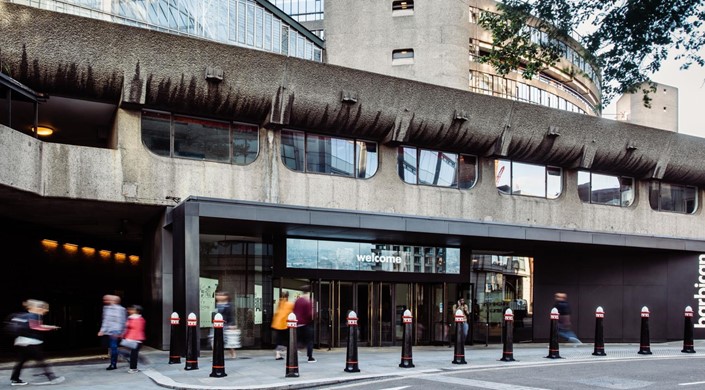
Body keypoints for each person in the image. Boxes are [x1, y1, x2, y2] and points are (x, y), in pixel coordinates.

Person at [10, 299, 65, 386]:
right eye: (45, 308)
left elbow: (34, 326)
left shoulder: (25, 316)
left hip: (21, 341)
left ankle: (15, 379)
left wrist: (50, 326)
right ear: (38, 308)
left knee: (21, 361)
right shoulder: (34, 315)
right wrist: (49, 328)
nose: (46, 310)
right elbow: (35, 327)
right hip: (30, 342)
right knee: (41, 360)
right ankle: (52, 378)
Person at [98, 294, 126, 370]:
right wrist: (102, 330)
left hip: (115, 331)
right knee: (109, 346)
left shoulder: (121, 309)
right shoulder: (106, 308)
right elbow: (105, 320)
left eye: (107, 299)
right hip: (108, 331)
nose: (105, 301)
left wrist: (121, 332)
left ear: (114, 300)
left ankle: (113, 364)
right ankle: (124, 354)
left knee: (113, 347)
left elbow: (122, 321)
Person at [119, 305, 146, 373]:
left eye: (132, 309)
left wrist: (124, 335)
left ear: (137, 311)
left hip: (134, 339)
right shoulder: (134, 319)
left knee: (133, 354)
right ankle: (133, 366)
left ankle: (133, 368)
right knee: (133, 353)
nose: (129, 311)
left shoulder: (136, 319)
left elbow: (136, 329)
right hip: (134, 339)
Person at [214, 292, 240, 359]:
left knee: (228, 340)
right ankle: (216, 355)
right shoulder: (215, 304)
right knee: (214, 340)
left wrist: (232, 324)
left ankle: (232, 353)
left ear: (226, 296)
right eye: (218, 295)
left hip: (226, 324)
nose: (219, 296)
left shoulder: (229, 305)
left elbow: (232, 315)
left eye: (221, 295)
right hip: (216, 324)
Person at [293, 286, 315, 362]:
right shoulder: (308, 301)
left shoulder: (297, 300)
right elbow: (310, 314)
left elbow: (294, 310)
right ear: (309, 292)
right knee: (310, 340)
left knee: (297, 340)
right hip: (306, 324)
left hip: (297, 323)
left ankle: (293, 354)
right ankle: (310, 357)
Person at [271, 291, 294, 360]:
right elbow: (291, 314)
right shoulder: (290, 304)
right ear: (287, 297)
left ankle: (278, 354)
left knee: (279, 339)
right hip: (284, 324)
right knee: (288, 339)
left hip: (277, 324)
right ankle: (287, 352)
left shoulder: (279, 303)